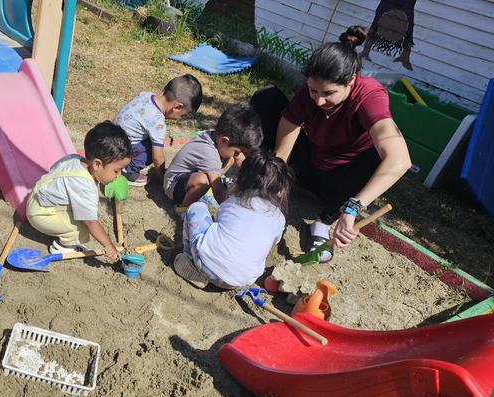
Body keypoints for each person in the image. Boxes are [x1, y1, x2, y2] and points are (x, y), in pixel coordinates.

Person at [251, 25, 411, 263]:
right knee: (267, 98)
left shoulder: (369, 96)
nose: (319, 100)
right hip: (306, 167)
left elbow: (401, 160)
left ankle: (323, 222)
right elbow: (287, 130)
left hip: (339, 186)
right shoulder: (312, 91)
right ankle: (271, 185)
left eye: (328, 93)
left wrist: (353, 208)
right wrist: (276, 178)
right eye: (313, 90)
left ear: (352, 80)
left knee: (377, 153)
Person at [173, 151, 294, 289]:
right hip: (241, 281)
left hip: (206, 264)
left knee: (196, 208)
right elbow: (274, 240)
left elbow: (219, 221)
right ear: (281, 190)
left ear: (241, 179)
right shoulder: (279, 218)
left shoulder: (234, 201)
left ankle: (190, 259)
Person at [26, 121, 132, 259]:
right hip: (41, 215)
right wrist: (108, 245)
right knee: (80, 229)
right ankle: (63, 247)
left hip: (37, 197)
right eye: (116, 171)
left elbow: (54, 170)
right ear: (97, 164)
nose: (119, 176)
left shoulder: (74, 158)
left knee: (82, 213)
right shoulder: (84, 186)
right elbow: (90, 222)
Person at [163, 104, 263, 210]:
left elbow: (242, 162)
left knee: (231, 158)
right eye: (237, 152)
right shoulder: (208, 153)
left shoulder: (217, 137)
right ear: (224, 140)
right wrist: (232, 211)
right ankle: (183, 208)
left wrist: (250, 179)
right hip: (173, 185)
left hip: (190, 176)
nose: (239, 155)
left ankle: (206, 187)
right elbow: (219, 193)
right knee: (203, 181)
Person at [114, 74, 203, 187]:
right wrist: (164, 178)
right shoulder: (157, 122)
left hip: (111, 136)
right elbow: (157, 158)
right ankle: (128, 171)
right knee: (153, 148)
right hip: (120, 149)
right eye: (183, 115)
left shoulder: (146, 95)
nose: (181, 118)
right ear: (177, 107)